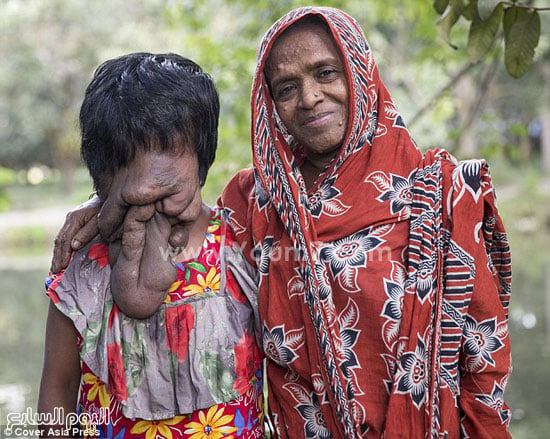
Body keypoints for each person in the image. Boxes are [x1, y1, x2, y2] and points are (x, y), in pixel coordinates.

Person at [50, 7, 512, 438]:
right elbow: (169, 194)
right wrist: (107, 198)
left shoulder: (443, 194)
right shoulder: (257, 203)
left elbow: (484, 357)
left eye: (326, 73)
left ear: (361, 71)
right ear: (269, 103)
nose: (309, 98)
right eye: (286, 88)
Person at [38, 52, 264, 438]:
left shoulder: (241, 246)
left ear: (201, 162)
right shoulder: (85, 269)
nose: (145, 195)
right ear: (103, 181)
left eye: (166, 186)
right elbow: (57, 389)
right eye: (130, 191)